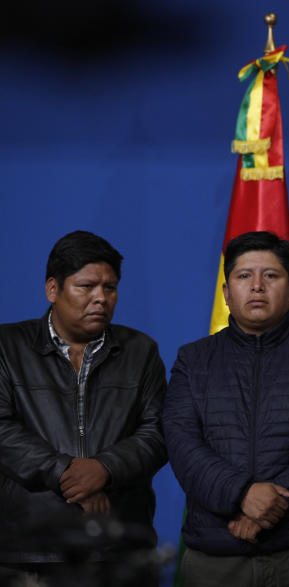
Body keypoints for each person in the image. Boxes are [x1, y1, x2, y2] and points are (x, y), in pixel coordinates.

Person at [163, 231, 289, 586]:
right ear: (227, 293)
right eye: (244, 276)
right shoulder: (193, 360)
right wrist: (241, 494)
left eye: (270, 275)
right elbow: (182, 443)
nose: (257, 286)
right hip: (216, 555)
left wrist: (269, 505)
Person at [0, 230, 167, 580]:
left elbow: (159, 432)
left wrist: (104, 469)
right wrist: (66, 473)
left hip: (119, 547)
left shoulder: (141, 351)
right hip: (29, 550)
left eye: (110, 288)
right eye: (86, 286)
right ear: (52, 290)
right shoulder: (7, 346)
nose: (101, 298)